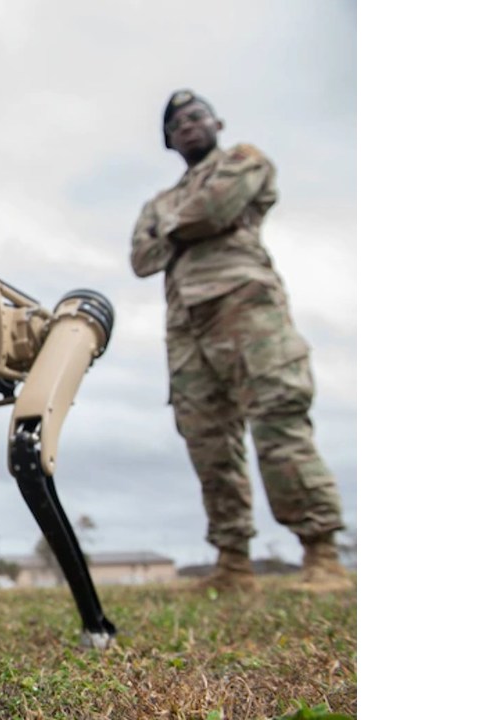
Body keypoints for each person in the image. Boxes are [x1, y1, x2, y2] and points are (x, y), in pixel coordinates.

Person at [129, 90, 351, 593]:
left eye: (195, 117)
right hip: (185, 326)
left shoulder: (243, 160)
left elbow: (215, 207)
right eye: (176, 124)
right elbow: (141, 259)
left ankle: (322, 554)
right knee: (207, 440)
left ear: (217, 122)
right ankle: (233, 563)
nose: (187, 126)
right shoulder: (157, 202)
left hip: (245, 308)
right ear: (167, 141)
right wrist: (184, 223)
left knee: (278, 419)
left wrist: (175, 228)